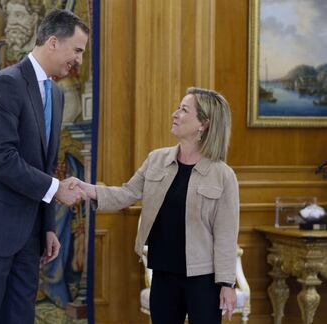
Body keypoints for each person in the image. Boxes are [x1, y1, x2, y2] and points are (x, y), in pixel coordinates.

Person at [0, 9, 89, 324]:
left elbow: (42, 163)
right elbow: (0, 157)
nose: (80, 60)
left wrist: (47, 227)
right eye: (78, 50)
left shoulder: (54, 94)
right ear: (54, 42)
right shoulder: (5, 84)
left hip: (29, 236)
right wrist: (56, 190)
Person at [77, 87, 239, 324]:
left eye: (184, 110)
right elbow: (126, 193)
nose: (175, 114)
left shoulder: (223, 175)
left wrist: (227, 284)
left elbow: (226, 235)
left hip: (203, 280)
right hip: (163, 273)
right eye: (178, 108)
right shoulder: (157, 159)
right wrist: (86, 189)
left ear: (203, 124)